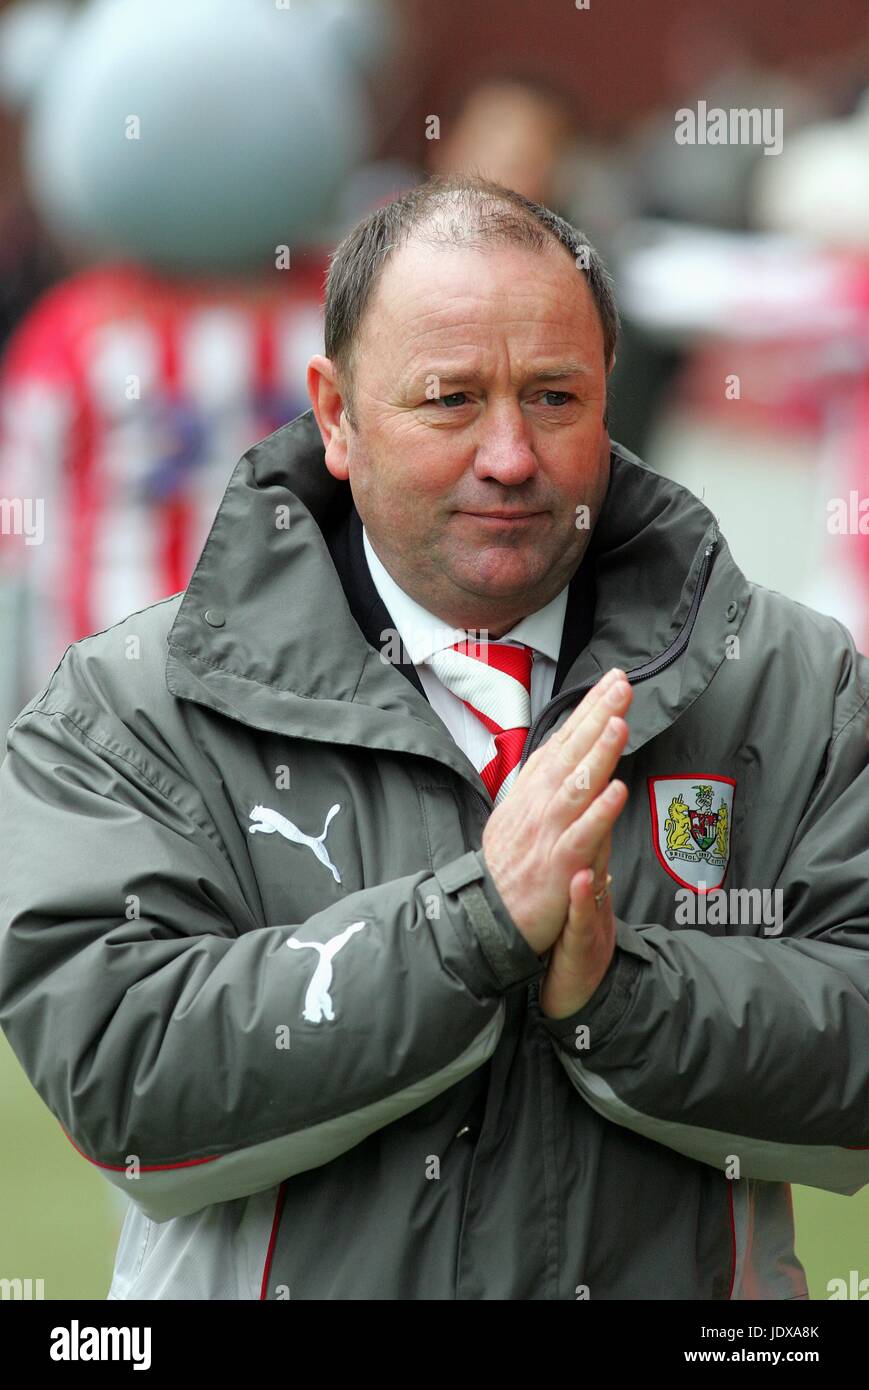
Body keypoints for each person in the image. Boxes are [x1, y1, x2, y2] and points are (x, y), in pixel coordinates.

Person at [0, 175, 866, 1301]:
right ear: (335, 416)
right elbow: (124, 1074)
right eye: (449, 399)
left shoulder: (794, 685)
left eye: (554, 397)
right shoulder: (128, 707)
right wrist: (470, 928)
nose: (508, 454)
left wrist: (619, 998)